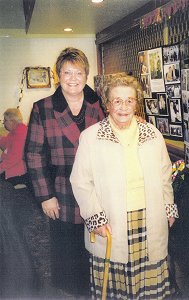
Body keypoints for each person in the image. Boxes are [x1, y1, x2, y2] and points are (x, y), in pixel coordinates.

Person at [70, 74, 179, 299]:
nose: (123, 107)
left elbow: (164, 176)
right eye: (117, 101)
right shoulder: (91, 137)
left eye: (129, 100)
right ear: (107, 104)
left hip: (150, 217)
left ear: (136, 103)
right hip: (111, 221)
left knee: (148, 282)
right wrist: (95, 218)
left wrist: (169, 208)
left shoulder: (153, 135)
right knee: (116, 283)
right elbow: (80, 182)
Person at [25, 47, 105, 297]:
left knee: (98, 239)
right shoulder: (43, 108)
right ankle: (72, 292)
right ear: (58, 75)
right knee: (67, 246)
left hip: (97, 186)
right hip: (62, 188)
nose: (73, 78)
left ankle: (98, 287)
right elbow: (33, 154)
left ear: (86, 74)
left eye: (78, 72)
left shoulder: (99, 103)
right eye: (67, 72)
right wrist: (45, 196)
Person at [0, 108, 28, 187]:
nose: (4, 123)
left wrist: (1, 168)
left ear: (12, 121)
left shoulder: (21, 133)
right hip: (10, 165)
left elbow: (14, 158)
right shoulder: (14, 131)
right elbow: (5, 145)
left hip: (17, 171)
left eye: (5, 121)